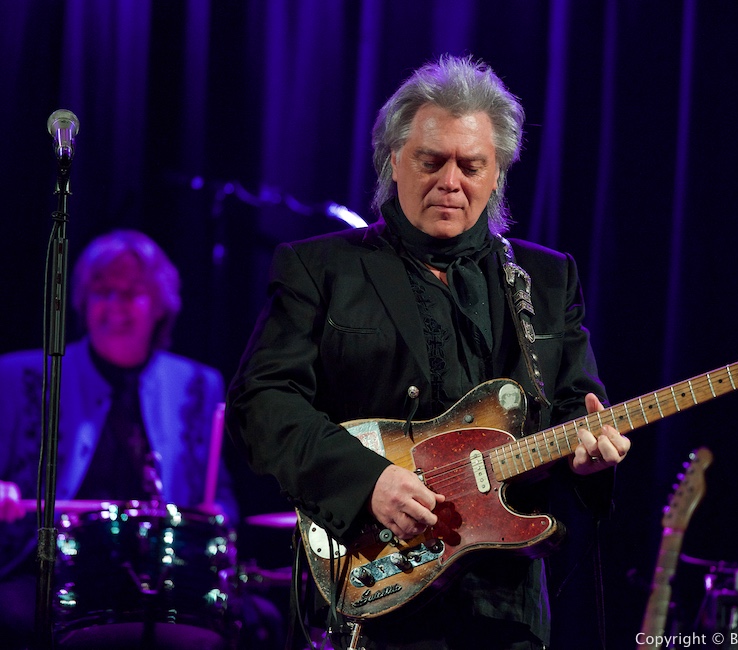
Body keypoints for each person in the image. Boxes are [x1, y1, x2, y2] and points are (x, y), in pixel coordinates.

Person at [226, 54, 630, 650]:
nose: (451, 181)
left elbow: (572, 407)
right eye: (431, 160)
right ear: (395, 161)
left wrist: (589, 459)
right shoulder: (322, 269)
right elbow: (260, 404)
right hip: (375, 584)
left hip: (507, 604)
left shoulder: (547, 280)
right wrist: (369, 481)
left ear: (497, 175)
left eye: (471, 165)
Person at [0, 230, 245, 649]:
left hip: (164, 575)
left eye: (131, 293)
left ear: (160, 306)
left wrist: (214, 517)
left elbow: (221, 496)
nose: (114, 306)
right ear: (82, 301)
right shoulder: (22, 376)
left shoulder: (198, 385)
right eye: (102, 292)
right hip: (46, 570)